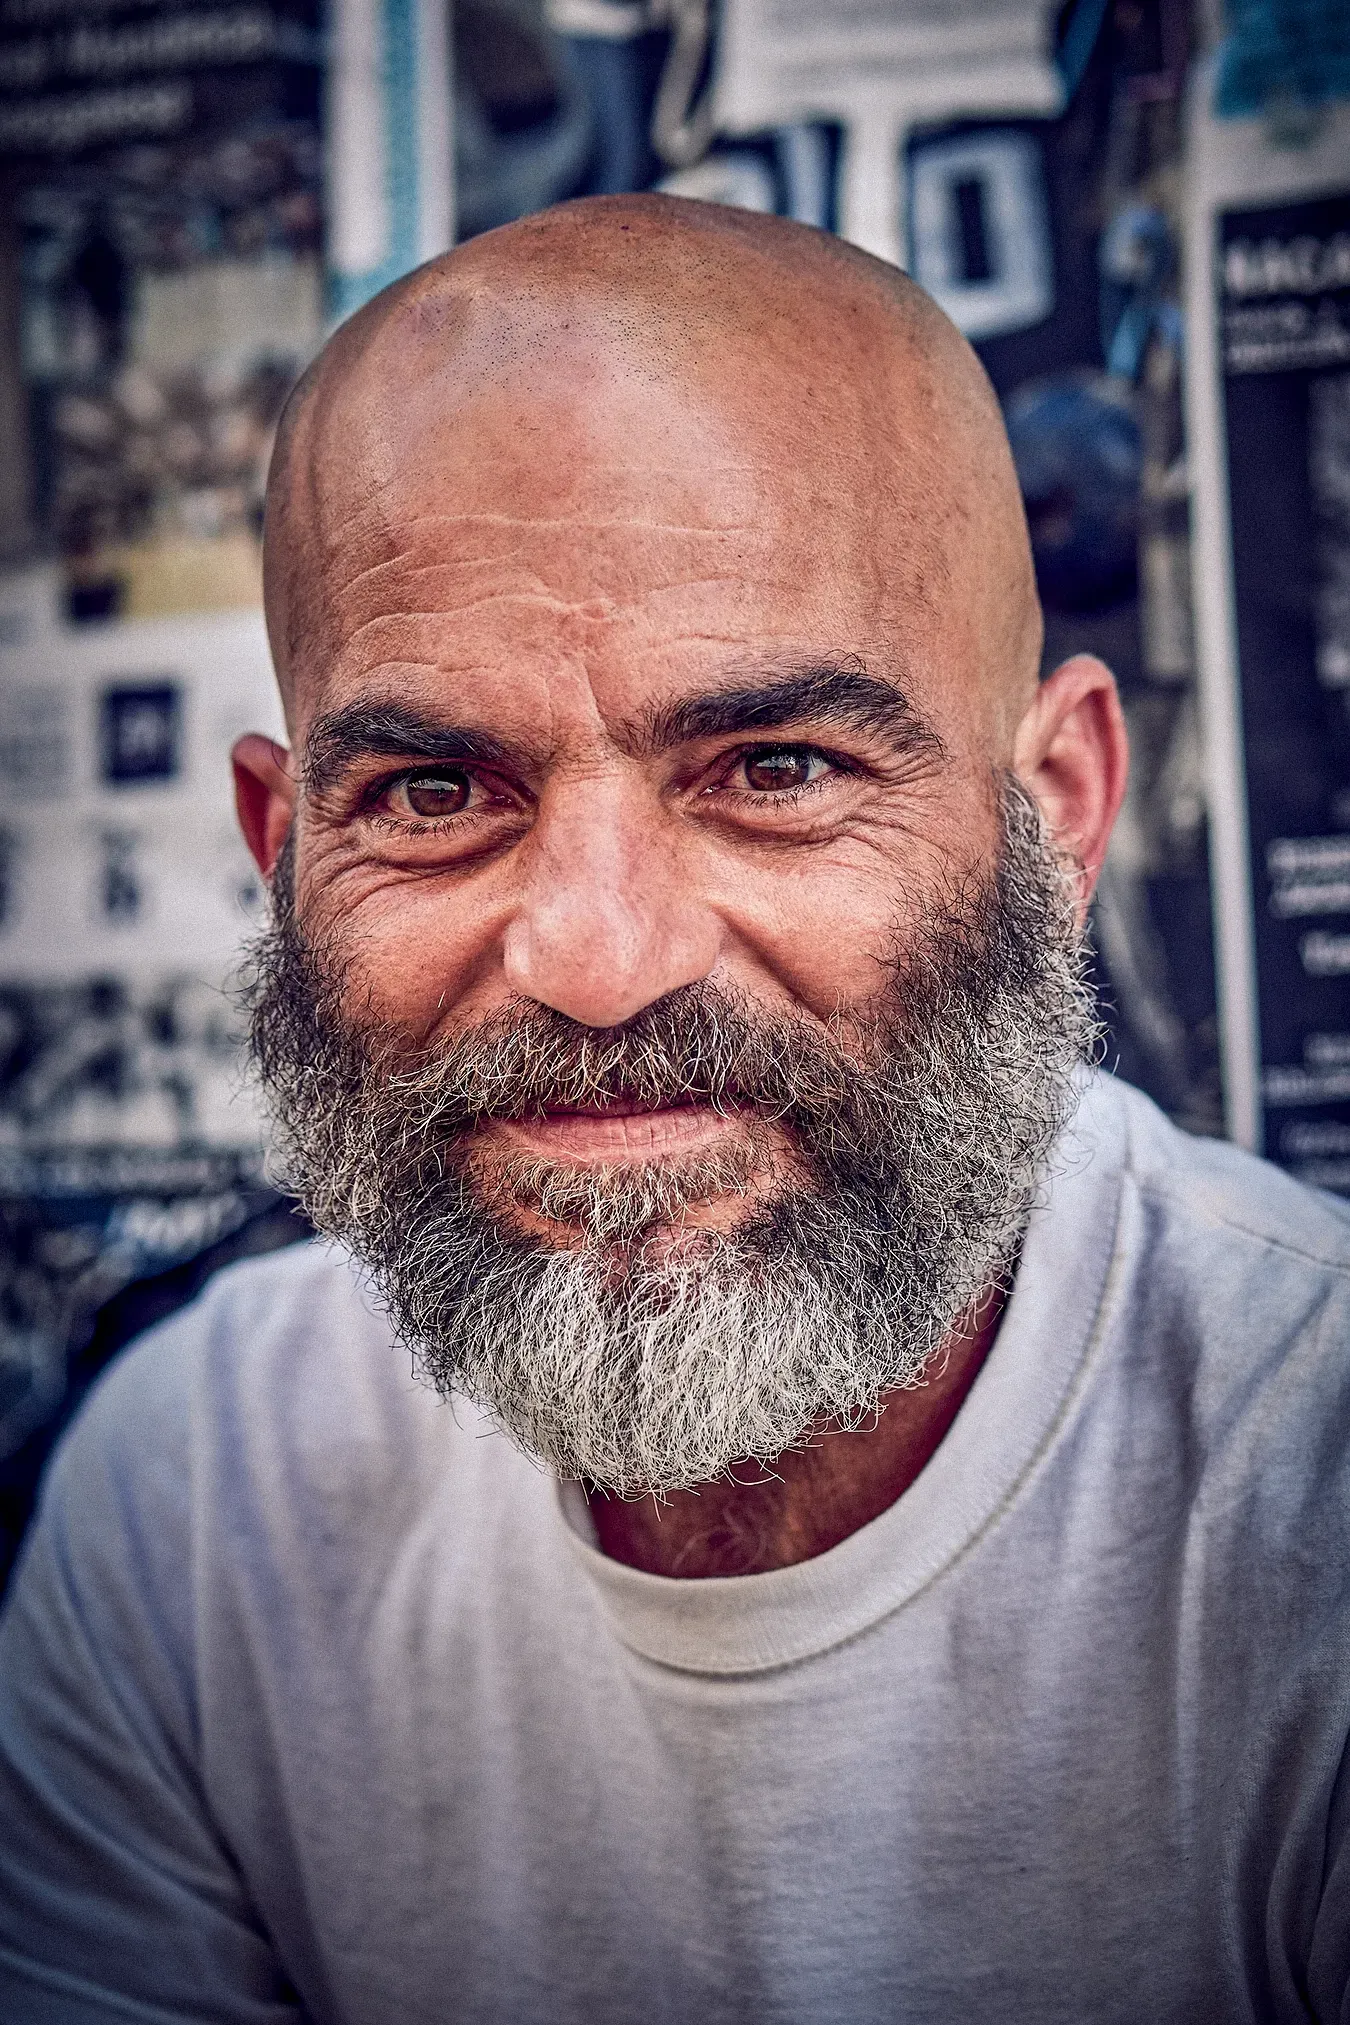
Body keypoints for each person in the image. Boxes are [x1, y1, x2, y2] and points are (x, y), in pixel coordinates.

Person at [1, 194, 1347, 2025]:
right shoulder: (187, 1515)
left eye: (776, 769)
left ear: (1052, 819)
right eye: (428, 791)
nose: (599, 959)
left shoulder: (1308, 1505)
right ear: (284, 850)